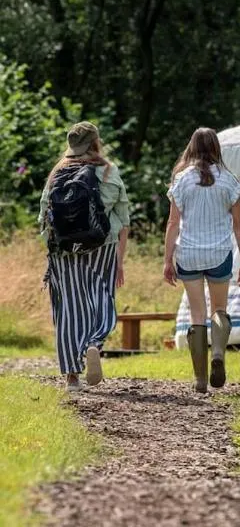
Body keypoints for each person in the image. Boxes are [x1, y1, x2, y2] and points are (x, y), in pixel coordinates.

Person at [39, 122, 130, 392]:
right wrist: (119, 261)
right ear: (96, 142)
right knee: (101, 297)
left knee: (68, 310)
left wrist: (56, 249)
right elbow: (123, 221)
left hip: (63, 252)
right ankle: (94, 343)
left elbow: (43, 218)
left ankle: (71, 379)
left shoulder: (57, 172)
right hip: (102, 247)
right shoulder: (109, 172)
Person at [163, 127, 240, 393]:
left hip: (188, 254)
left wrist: (168, 259)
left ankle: (200, 380)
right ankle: (218, 353)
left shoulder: (182, 180)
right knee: (218, 310)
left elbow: (173, 223)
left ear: (192, 147)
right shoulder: (229, 181)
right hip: (219, 253)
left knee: (197, 313)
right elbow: (239, 225)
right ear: (216, 148)